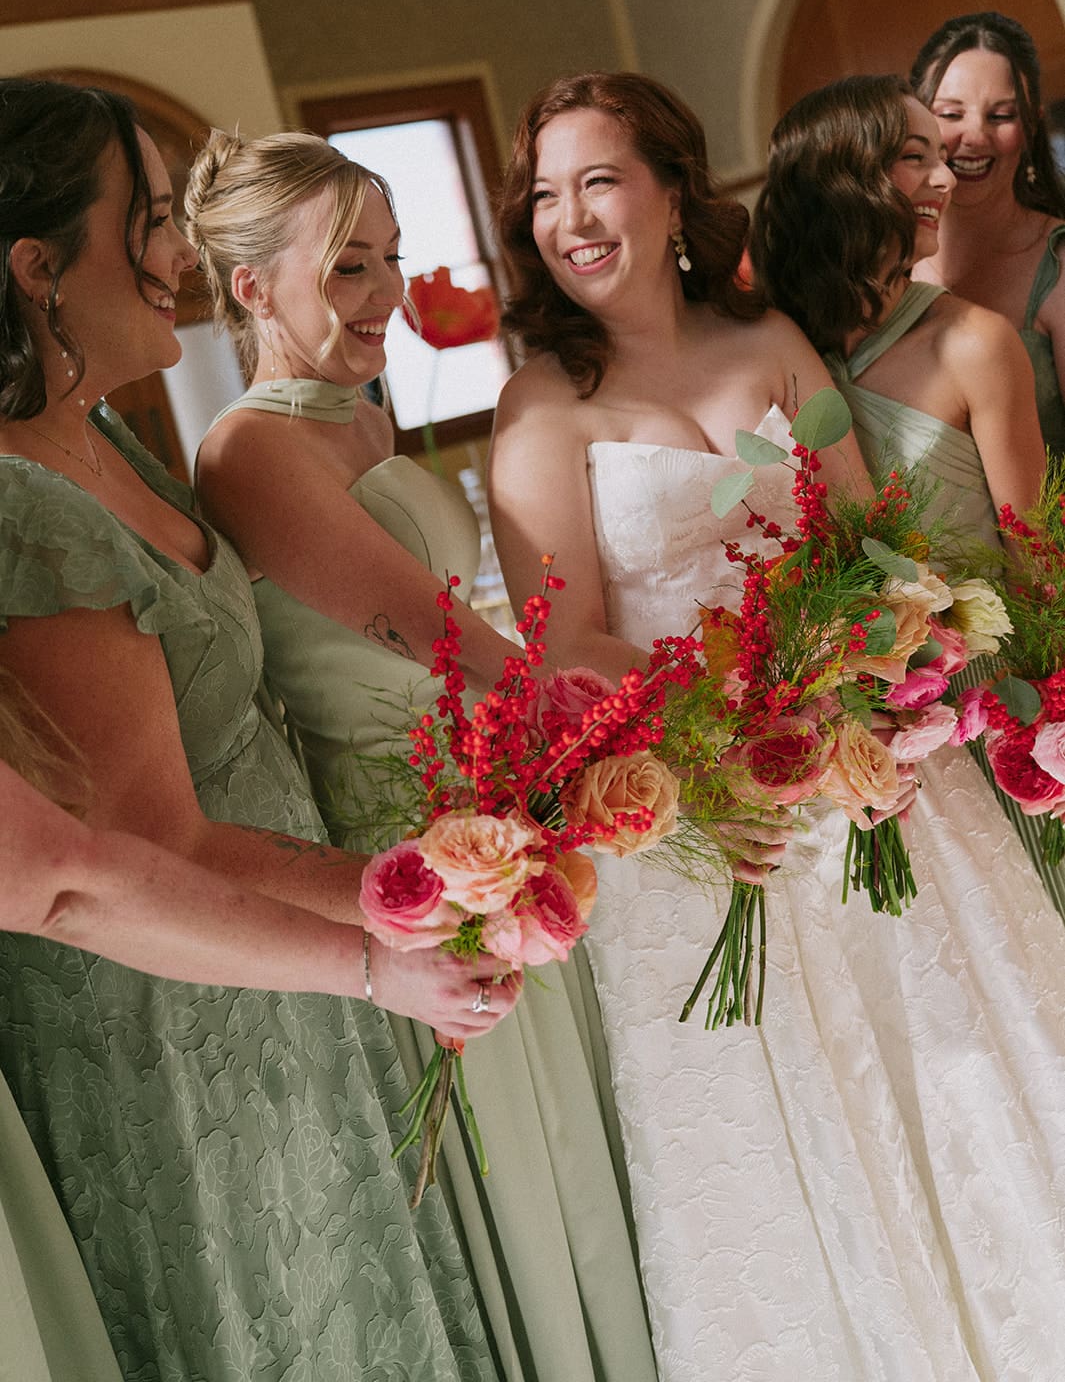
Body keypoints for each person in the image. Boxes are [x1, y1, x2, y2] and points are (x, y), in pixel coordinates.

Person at [489, 69, 1065, 1382]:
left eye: (599, 181)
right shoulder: (542, 409)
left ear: (672, 192)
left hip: (869, 783)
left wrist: (873, 693)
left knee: (975, 1087)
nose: (569, 218)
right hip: (710, 824)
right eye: (542, 196)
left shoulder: (773, 351)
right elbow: (566, 644)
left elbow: (862, 543)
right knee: (807, 1153)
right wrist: (741, 738)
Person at [0, 76, 518, 1382]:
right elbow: (145, 840)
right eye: (155, 221)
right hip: (177, 997)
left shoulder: (101, 431)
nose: (184, 255)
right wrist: (385, 911)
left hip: (290, 933)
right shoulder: (24, 508)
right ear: (37, 266)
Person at [188, 128, 659, 1382]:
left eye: (392, 259)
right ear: (250, 287)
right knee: (529, 1154)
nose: (385, 293)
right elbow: (451, 646)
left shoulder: (359, 422)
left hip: (498, 815)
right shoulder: (251, 447)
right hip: (414, 852)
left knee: (589, 1136)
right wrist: (639, 715)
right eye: (349, 266)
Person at [752, 71, 1065, 924]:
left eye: (940, 158)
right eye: (912, 157)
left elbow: (1034, 557)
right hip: (853, 724)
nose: (942, 179)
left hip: (987, 699)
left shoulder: (974, 340)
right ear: (839, 176)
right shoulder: (770, 343)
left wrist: (1045, 726)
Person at [910, 10, 1065, 455]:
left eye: (1000, 115)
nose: (975, 136)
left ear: (1030, 126)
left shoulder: (1058, 265)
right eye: (951, 114)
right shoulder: (884, 261)